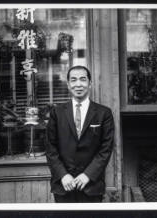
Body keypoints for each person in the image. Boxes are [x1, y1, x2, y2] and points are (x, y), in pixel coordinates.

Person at [45, 65, 115, 203]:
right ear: (68, 84)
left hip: (91, 185)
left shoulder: (103, 113)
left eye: (83, 79)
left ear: (90, 83)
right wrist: (63, 175)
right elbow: (50, 147)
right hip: (63, 185)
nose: (78, 84)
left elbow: (105, 149)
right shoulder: (57, 113)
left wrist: (88, 175)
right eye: (74, 80)